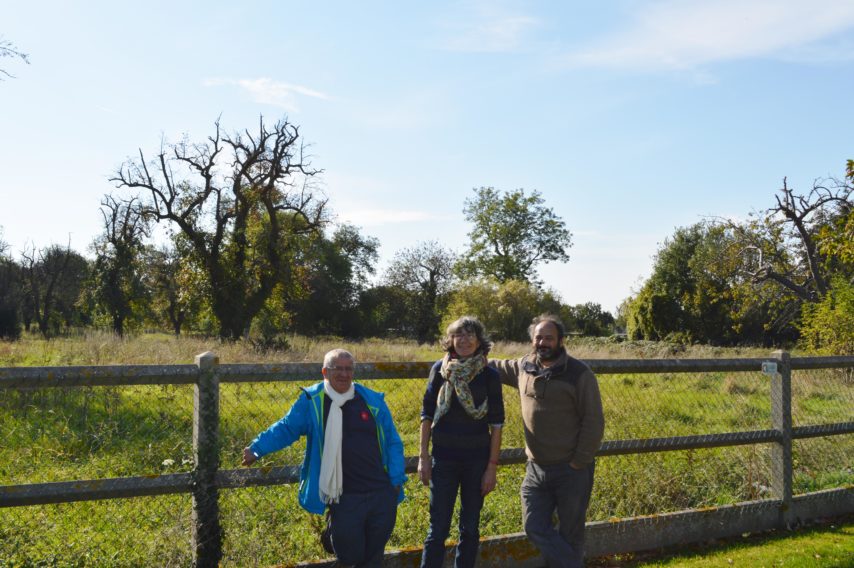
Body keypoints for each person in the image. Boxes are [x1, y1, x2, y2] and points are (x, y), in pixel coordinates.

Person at [242, 348, 406, 568]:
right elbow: (287, 428)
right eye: (337, 368)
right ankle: (333, 531)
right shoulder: (313, 401)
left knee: (373, 557)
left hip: (380, 492)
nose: (344, 374)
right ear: (324, 372)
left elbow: (393, 441)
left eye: (348, 369)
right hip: (344, 496)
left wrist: (395, 482)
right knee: (350, 556)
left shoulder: (371, 400)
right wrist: (257, 448)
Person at [490, 314, 604, 568]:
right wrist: (461, 357)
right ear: (532, 340)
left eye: (549, 338)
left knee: (571, 533)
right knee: (533, 526)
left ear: (561, 341)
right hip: (536, 469)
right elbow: (494, 366)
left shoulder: (579, 374)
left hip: (571, 469)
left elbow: (594, 421)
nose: (542, 342)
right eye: (538, 337)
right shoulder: (524, 366)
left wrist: (579, 462)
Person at [419, 316, 504, 568]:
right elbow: (426, 414)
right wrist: (423, 457)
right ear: (451, 340)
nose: (464, 340)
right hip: (443, 459)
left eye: (470, 335)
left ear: (479, 341)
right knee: (438, 528)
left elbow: (497, 423)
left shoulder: (489, 375)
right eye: (459, 334)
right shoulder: (440, 370)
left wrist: (491, 467)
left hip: (477, 462)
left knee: (470, 527)